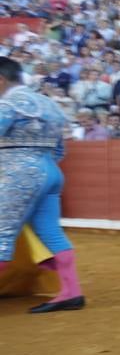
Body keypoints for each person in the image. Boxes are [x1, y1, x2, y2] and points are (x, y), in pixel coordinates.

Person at [0, 57, 86, 313]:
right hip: (51, 170)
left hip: (21, 174)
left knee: (1, 233)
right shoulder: (49, 104)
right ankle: (71, 292)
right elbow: (61, 146)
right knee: (51, 232)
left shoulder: (7, 104)